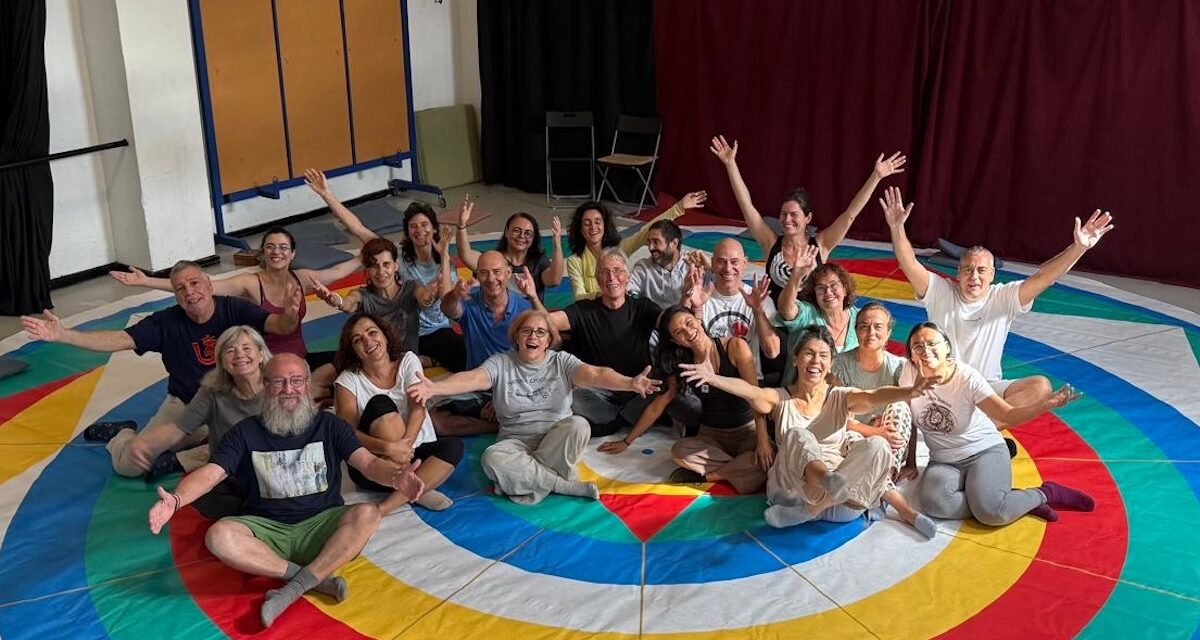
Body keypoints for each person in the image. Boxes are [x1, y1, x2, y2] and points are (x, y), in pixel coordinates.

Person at [147, 353, 425, 628]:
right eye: (279, 382)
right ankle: (311, 580)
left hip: (321, 527)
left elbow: (369, 463)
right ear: (265, 387)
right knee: (218, 535)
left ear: (307, 385)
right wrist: (177, 499)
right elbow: (211, 473)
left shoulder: (330, 425)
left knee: (368, 514)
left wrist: (395, 476)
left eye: (296, 381)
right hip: (267, 532)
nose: (288, 389)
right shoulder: (244, 432)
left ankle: (291, 589)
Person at [21, 261, 299, 477]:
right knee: (130, 465)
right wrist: (64, 335)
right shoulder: (165, 323)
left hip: (234, 405)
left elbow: (282, 326)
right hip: (189, 405)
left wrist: (290, 312)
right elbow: (119, 340)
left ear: (209, 285)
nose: (190, 291)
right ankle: (123, 435)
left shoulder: (234, 309)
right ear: (175, 295)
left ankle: (187, 456)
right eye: (180, 288)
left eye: (194, 283)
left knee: (272, 441)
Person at [680, 326, 939, 539]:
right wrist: (714, 379)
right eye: (809, 354)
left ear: (830, 364)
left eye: (823, 356)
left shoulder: (840, 397)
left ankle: (815, 507)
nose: (816, 361)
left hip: (840, 504)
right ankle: (826, 483)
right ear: (795, 358)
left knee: (878, 446)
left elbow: (874, 396)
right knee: (798, 435)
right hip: (791, 494)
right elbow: (752, 392)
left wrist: (909, 392)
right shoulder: (779, 398)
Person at [882, 186, 1115, 410]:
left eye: (982, 271)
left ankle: (980, 431)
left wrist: (1078, 248)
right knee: (899, 379)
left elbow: (1045, 277)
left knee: (1040, 387)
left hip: (986, 390)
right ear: (958, 273)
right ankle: (975, 429)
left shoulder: (1004, 296)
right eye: (968, 270)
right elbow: (909, 263)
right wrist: (896, 227)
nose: (974, 276)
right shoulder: (940, 291)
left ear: (992, 275)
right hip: (943, 386)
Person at [408, 310, 662, 505]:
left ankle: (525, 477)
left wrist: (630, 383)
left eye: (541, 332)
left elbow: (595, 374)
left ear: (550, 340)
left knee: (579, 425)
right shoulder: (500, 363)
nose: (533, 336)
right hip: (515, 443)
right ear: (516, 336)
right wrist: (435, 388)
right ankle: (561, 484)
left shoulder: (562, 361)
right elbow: (472, 378)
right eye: (526, 331)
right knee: (492, 458)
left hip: (556, 439)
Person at [109, 225, 358, 396]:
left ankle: (309, 389)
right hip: (268, 366)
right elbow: (202, 288)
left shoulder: (302, 278)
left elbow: (337, 272)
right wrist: (146, 281)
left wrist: (367, 254)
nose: (276, 252)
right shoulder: (250, 282)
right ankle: (307, 390)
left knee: (351, 360)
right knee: (325, 384)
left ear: (292, 254)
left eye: (283, 247)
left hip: (299, 358)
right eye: (270, 247)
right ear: (263, 253)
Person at [900, 322, 1095, 526]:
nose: (926, 351)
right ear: (911, 355)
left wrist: (1044, 406)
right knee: (934, 505)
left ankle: (1043, 493)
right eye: (918, 347)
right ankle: (1008, 500)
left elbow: (1007, 415)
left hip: (983, 450)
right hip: (944, 460)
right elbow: (910, 420)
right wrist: (911, 461)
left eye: (932, 343)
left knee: (992, 514)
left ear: (947, 347)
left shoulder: (967, 377)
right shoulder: (910, 372)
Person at [599, 306, 771, 495]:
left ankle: (711, 476)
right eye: (679, 332)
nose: (688, 332)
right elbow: (659, 405)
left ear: (698, 320)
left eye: (689, 323)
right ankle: (742, 468)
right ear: (675, 341)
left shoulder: (735, 346)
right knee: (680, 451)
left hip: (746, 431)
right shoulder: (682, 362)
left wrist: (762, 439)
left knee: (772, 452)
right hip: (712, 436)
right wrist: (627, 441)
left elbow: (757, 396)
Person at [709, 135, 906, 299]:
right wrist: (730, 164)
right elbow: (746, 206)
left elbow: (850, 215)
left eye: (794, 215)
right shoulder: (771, 243)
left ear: (808, 218)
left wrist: (876, 176)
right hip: (777, 325)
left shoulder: (821, 245)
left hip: (811, 328)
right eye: (783, 214)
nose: (787, 220)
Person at [304, 169, 462, 371]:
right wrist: (327, 194)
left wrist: (444, 262)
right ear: (407, 232)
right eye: (413, 226)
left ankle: (426, 359)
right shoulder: (392, 256)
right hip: (398, 335)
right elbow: (358, 228)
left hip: (435, 333)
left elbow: (443, 301)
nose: (420, 231)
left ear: (434, 228)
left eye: (425, 225)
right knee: (353, 359)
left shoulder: (446, 263)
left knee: (462, 353)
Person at [549, 249, 699, 435]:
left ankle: (615, 421)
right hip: (601, 392)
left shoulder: (642, 307)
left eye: (618, 271)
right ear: (597, 279)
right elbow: (546, 322)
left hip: (641, 388)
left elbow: (673, 324)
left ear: (627, 277)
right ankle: (627, 418)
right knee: (572, 398)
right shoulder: (582, 310)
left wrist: (686, 296)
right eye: (604, 272)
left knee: (666, 385)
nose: (612, 277)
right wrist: (530, 301)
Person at [118, 325, 271, 505]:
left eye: (246, 348)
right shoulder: (212, 392)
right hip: (233, 472)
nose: (239, 354)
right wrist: (144, 442)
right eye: (230, 350)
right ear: (221, 360)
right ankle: (122, 434)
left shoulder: (280, 384)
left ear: (261, 354)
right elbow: (179, 427)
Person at [332, 313, 463, 514]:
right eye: (358, 340)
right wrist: (389, 448)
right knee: (380, 404)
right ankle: (419, 483)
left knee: (454, 446)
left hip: (412, 449)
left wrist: (405, 448)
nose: (368, 341)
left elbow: (417, 407)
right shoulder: (347, 380)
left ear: (385, 336)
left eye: (372, 332)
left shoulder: (408, 360)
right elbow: (347, 433)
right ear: (354, 351)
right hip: (375, 465)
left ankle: (385, 506)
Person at [434, 250, 542, 436]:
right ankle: (499, 425)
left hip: (515, 386)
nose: (491, 279)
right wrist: (455, 294)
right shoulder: (469, 302)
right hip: (478, 387)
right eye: (484, 272)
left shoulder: (525, 308)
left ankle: (501, 415)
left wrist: (503, 395)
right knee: (436, 420)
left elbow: (543, 347)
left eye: (497, 271)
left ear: (508, 273)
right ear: (476, 276)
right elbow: (448, 308)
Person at [311, 236, 439, 364]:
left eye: (386, 264)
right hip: (374, 365)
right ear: (367, 269)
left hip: (407, 363)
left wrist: (430, 295)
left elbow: (423, 298)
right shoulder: (364, 295)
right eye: (374, 266)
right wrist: (333, 299)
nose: (381, 271)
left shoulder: (411, 288)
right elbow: (348, 303)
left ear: (396, 266)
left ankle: (424, 361)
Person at [828, 301, 916, 481]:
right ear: (855, 331)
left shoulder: (900, 367)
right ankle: (873, 487)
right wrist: (873, 431)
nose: (871, 333)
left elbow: (909, 416)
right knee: (851, 437)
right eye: (864, 327)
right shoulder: (838, 365)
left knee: (901, 405)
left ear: (889, 332)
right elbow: (834, 416)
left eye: (878, 327)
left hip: (889, 440)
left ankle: (887, 478)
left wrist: (912, 462)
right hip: (851, 436)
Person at [564, 191, 704, 301]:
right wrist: (605, 293)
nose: (593, 227)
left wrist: (679, 207)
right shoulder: (574, 261)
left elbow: (646, 231)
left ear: (605, 226)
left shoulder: (619, 250)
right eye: (587, 223)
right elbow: (578, 297)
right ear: (580, 229)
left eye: (597, 222)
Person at [682, 237, 781, 380]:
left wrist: (758, 311)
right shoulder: (700, 295)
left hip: (748, 381)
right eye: (721, 262)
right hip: (709, 380)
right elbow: (679, 339)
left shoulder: (760, 299)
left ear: (745, 263)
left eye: (734, 262)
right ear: (712, 264)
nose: (728, 268)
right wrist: (687, 298)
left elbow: (772, 351)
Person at [454, 196, 565, 300]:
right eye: (516, 231)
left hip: (530, 318)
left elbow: (554, 280)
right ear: (506, 232)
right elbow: (466, 254)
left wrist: (557, 244)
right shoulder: (493, 259)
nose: (522, 236)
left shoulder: (539, 262)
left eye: (528, 233)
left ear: (533, 238)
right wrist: (461, 225)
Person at [776, 259, 860, 384]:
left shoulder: (860, 318)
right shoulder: (807, 313)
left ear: (845, 288)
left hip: (848, 397)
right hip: (800, 394)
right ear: (814, 293)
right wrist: (796, 276)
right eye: (821, 288)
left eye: (833, 285)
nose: (828, 292)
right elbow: (785, 309)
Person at [628, 219, 690, 309]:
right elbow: (626, 291)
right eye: (649, 242)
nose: (650, 247)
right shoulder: (643, 268)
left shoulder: (692, 263)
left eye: (656, 242)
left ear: (674, 243)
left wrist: (709, 265)